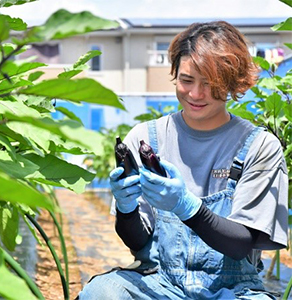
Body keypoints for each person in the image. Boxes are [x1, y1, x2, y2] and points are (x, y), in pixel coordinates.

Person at [78, 20, 288, 300]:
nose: (196, 94)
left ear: (232, 83)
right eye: (187, 80)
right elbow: (138, 243)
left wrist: (187, 207)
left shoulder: (259, 146)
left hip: (233, 291)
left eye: (210, 84)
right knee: (101, 292)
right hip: (158, 282)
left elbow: (241, 245)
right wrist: (127, 208)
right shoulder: (147, 137)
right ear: (175, 74)